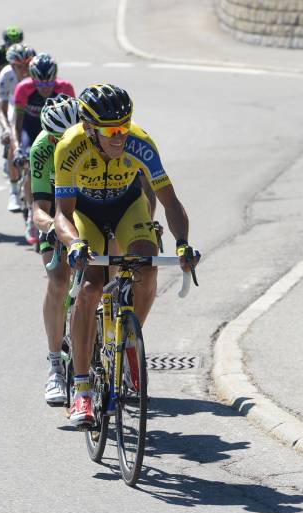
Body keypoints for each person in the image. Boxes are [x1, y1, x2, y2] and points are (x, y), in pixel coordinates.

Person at [53, 84, 200, 427]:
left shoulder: (140, 142)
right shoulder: (70, 147)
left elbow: (169, 201)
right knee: (90, 286)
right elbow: (62, 213)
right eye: (112, 132)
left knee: (146, 269)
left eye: (125, 126)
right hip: (85, 212)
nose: (121, 137)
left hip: (127, 206)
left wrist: (182, 243)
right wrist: (74, 243)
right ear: (90, 129)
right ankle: (82, 391)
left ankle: (130, 340)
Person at [28, 94, 80, 404]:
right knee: (59, 281)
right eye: (58, 139)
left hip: (84, 212)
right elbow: (38, 209)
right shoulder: (41, 149)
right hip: (54, 218)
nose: (64, 144)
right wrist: (53, 229)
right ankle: (55, 369)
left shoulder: (87, 144)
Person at [12, 53, 75, 244]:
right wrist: (17, 147)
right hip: (30, 131)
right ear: (32, 79)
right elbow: (17, 123)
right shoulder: (23, 88)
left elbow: (74, 119)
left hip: (61, 132)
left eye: (49, 84)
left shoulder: (65, 88)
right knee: (31, 168)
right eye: (40, 84)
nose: (45, 89)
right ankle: (33, 215)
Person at [0, 43, 35, 211]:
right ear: (12, 65)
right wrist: (5, 128)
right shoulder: (5, 75)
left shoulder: (37, 71)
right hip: (14, 105)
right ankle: (13, 191)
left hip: (32, 106)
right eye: (19, 66)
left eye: (27, 65)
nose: (24, 70)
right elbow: (1, 109)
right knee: (13, 141)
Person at [0, 26, 24, 108]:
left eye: (17, 44)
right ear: (5, 43)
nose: (13, 47)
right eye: (10, 44)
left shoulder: (27, 52)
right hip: (4, 87)